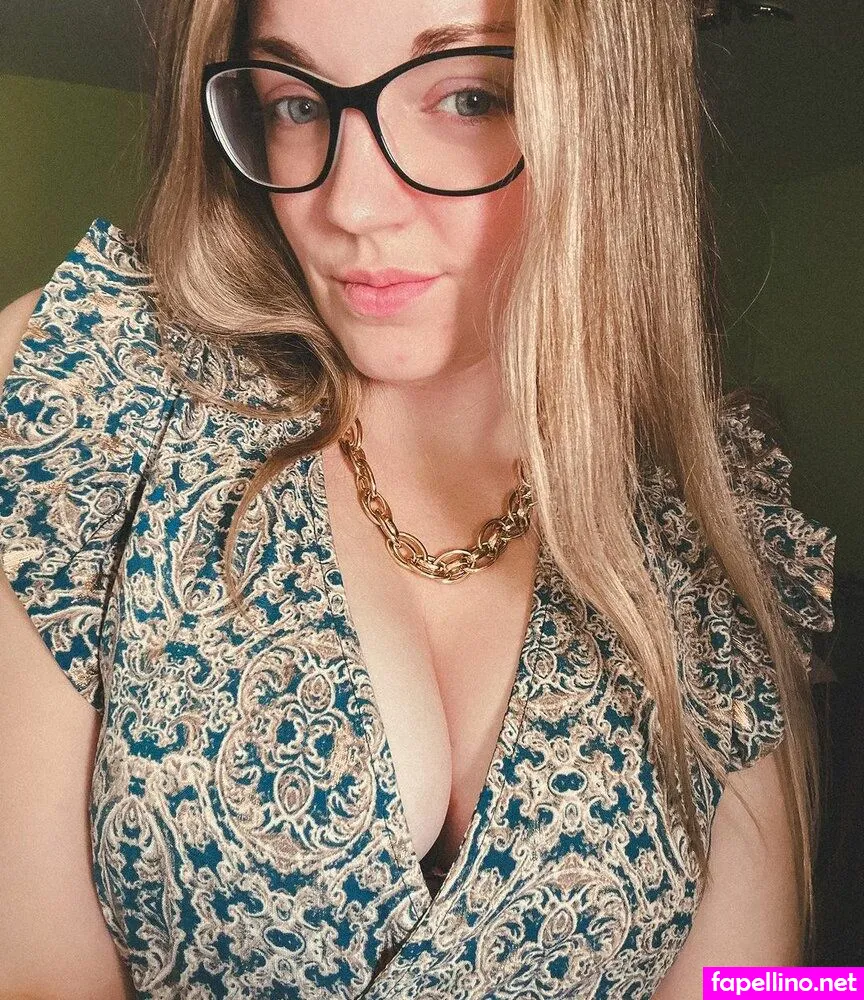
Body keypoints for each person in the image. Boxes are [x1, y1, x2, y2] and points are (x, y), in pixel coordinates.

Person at [0, 0, 837, 997]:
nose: (352, 206)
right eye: (297, 103)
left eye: (469, 98)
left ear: (605, 115)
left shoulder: (716, 523)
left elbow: (757, 985)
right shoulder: (98, 386)